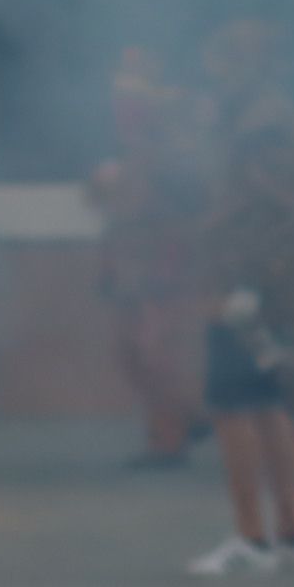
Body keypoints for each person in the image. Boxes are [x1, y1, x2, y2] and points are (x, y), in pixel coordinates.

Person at [192, 23, 294, 573]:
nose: (213, 75)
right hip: (278, 281)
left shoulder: (256, 128)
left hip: (247, 281)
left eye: (221, 63)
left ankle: (251, 536)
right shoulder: (281, 120)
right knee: (270, 402)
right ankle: (291, 531)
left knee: (233, 405)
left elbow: (259, 207)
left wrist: (239, 280)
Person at [86, 50, 213, 469]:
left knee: (156, 350)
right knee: (130, 352)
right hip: (129, 260)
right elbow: (98, 196)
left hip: (163, 260)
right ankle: (186, 417)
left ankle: (169, 437)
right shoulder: (118, 143)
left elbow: (188, 199)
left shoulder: (176, 140)